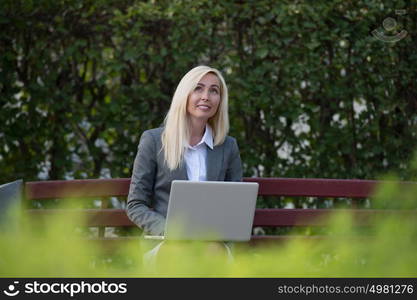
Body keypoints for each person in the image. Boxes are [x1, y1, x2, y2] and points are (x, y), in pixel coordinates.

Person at [126, 65, 242, 264]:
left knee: (209, 252)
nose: (206, 96)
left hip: (213, 244)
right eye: (198, 88)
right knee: (179, 253)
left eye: (214, 91)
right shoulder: (154, 141)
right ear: (184, 95)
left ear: (220, 101)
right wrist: (170, 231)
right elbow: (136, 204)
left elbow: (236, 205)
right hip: (165, 242)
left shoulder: (228, 146)